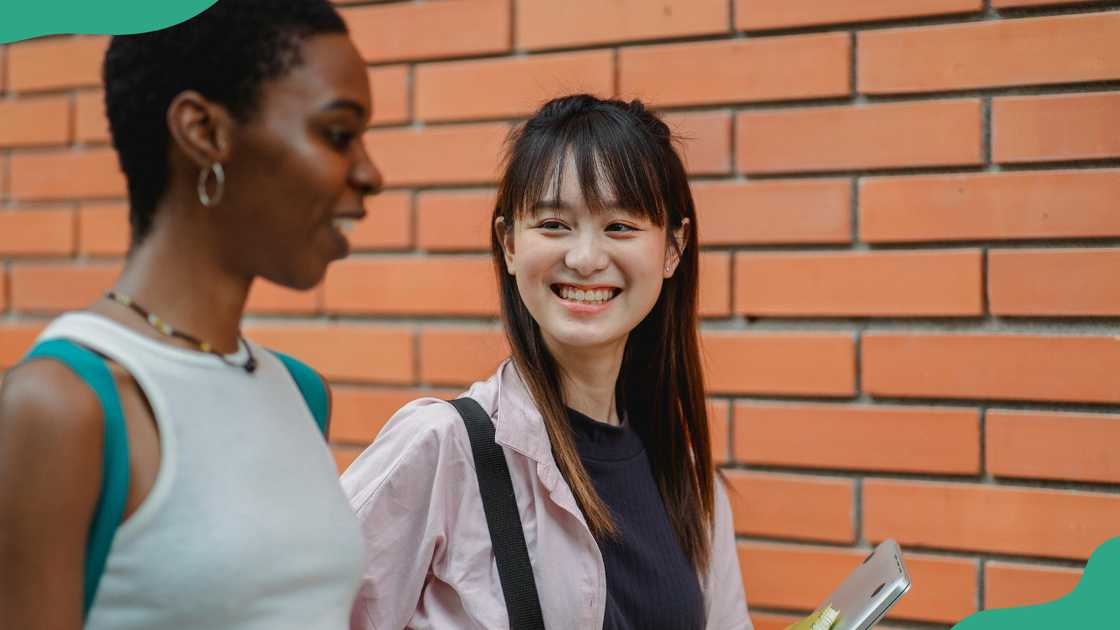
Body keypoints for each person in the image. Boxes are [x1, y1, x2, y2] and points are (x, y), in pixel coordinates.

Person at [0, 2, 381, 628]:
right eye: (339, 135)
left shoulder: (301, 393)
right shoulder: (65, 405)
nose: (371, 174)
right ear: (204, 132)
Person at [342, 94, 751, 629]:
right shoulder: (443, 447)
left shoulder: (690, 482)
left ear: (673, 248)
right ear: (509, 243)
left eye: (621, 226)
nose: (585, 259)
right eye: (554, 224)